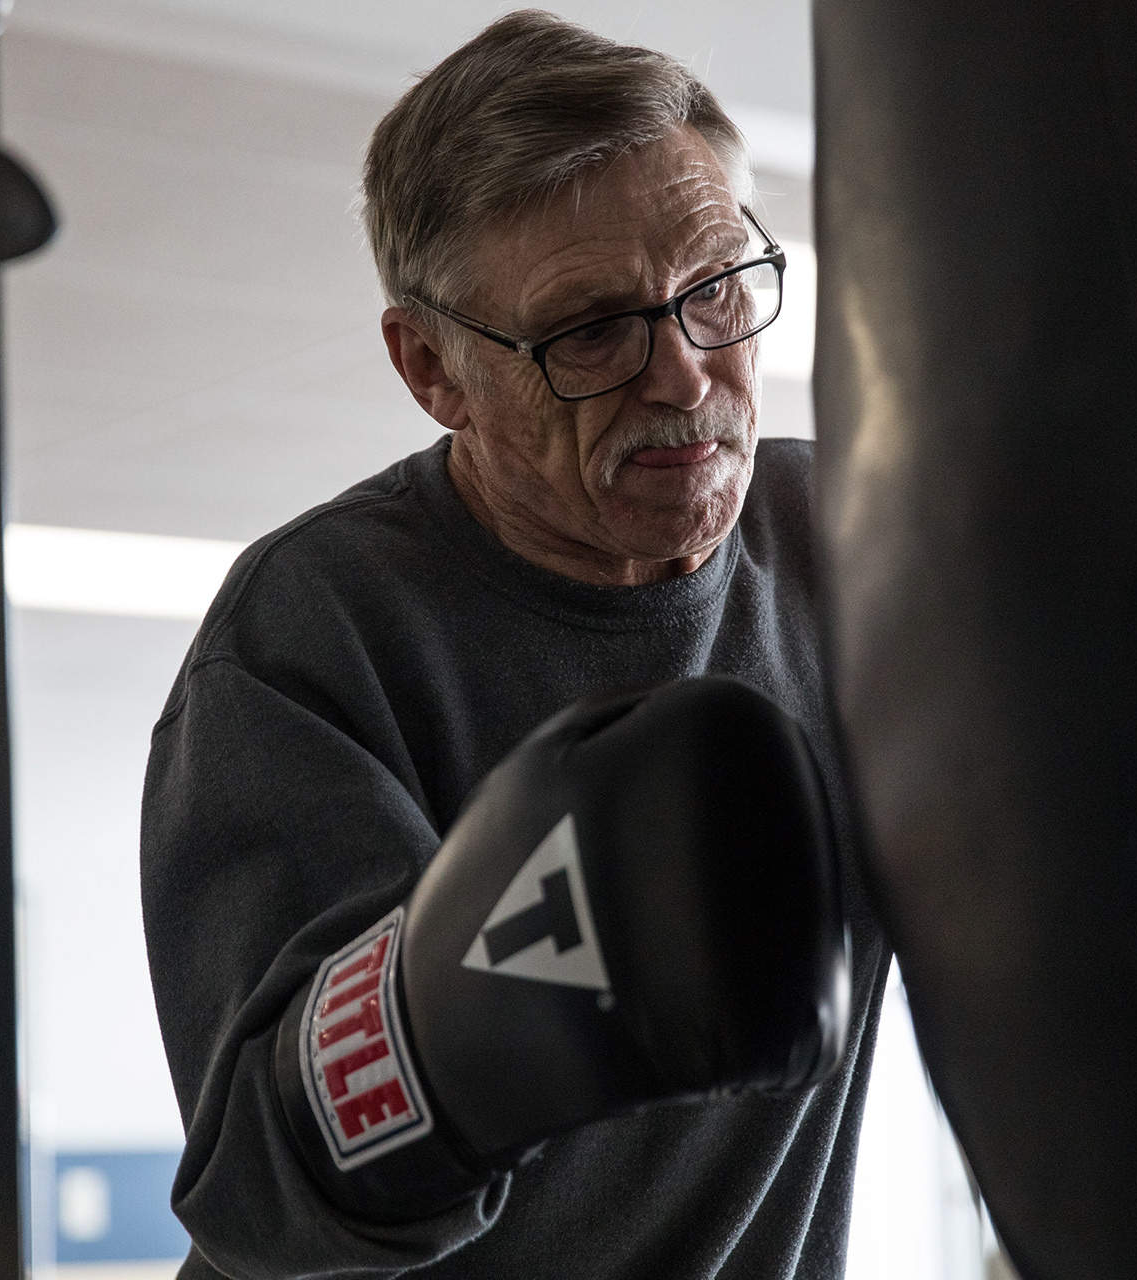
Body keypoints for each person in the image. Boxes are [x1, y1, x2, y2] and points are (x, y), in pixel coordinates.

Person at [140, 12, 888, 1279]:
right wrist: (466, 1029)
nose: (685, 376)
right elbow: (263, 1187)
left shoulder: (861, 546)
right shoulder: (315, 630)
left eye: (715, 289)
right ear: (433, 368)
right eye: (592, 330)